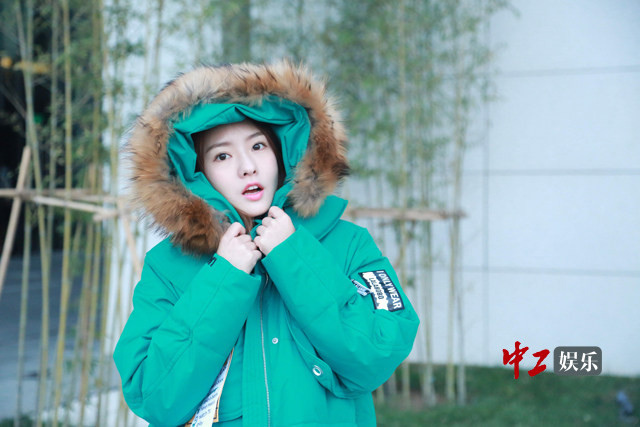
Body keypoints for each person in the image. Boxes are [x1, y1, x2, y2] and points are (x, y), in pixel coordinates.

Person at [113, 59, 420, 427]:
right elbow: (154, 397)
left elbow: (377, 355)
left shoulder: (349, 244)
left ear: (283, 152)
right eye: (222, 155)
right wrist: (224, 278)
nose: (247, 166)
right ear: (196, 175)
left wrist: (294, 256)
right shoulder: (168, 266)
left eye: (258, 146)